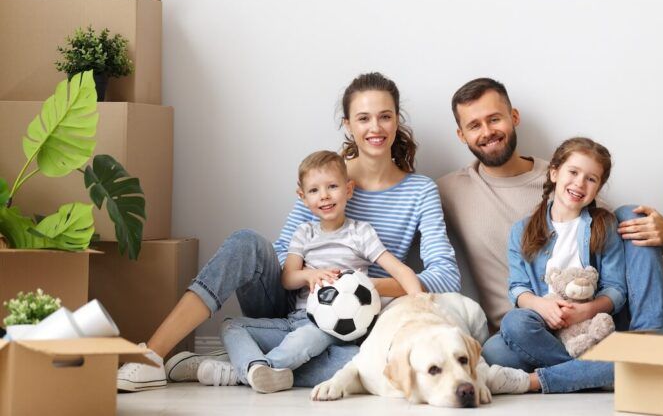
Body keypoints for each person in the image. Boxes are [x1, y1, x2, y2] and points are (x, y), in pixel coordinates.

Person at [117, 72, 460, 392]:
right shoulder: (327, 180)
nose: (376, 127)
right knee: (246, 242)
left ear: (397, 119)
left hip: (354, 322)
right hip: (292, 302)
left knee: (368, 367)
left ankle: (235, 367)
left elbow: (446, 277)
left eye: (385, 116)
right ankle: (151, 357)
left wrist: (357, 286)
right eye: (364, 118)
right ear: (348, 125)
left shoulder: (420, 191)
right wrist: (312, 277)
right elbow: (283, 251)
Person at [437, 77, 663, 334]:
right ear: (461, 135)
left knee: (629, 212)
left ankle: (649, 336)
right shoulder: (450, 190)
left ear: (514, 117)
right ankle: (597, 367)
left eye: (494, 119)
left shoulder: (565, 177)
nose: (487, 132)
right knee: (500, 350)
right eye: (474, 125)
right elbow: (399, 202)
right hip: (524, 326)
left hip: (584, 315)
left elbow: (611, 229)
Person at [201, 150, 424, 393]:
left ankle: (245, 370)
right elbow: (287, 279)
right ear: (303, 197)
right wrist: (309, 275)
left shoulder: (361, 233)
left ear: (348, 190)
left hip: (333, 326)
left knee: (316, 343)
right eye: (314, 190)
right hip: (295, 320)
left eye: (332, 187)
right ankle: (257, 369)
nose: (325, 196)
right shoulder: (304, 233)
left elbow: (401, 271)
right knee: (231, 326)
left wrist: (419, 302)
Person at [482, 137, 624, 393]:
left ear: (598, 188)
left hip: (588, 327)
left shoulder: (604, 226)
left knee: (505, 354)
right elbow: (518, 288)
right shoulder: (522, 230)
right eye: (573, 172)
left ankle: (548, 380)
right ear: (554, 172)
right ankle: (588, 372)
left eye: (591, 179)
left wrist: (586, 310)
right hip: (543, 326)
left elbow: (616, 290)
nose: (580, 183)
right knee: (501, 340)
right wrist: (541, 305)